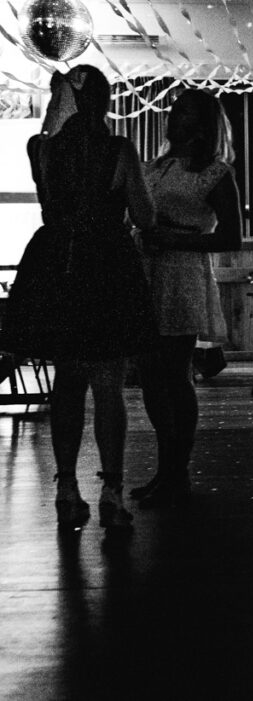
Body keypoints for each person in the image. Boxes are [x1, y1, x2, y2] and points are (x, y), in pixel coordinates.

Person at [0, 65, 158, 529]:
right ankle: (112, 489)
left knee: (67, 380)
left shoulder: (40, 148)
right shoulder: (118, 149)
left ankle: (66, 485)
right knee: (108, 384)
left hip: (55, 263)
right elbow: (146, 217)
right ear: (103, 102)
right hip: (106, 263)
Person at [135, 89, 242, 508]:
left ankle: (178, 472)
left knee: (175, 374)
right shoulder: (155, 166)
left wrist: (174, 238)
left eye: (182, 111)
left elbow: (230, 237)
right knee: (147, 373)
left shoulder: (216, 173)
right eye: (173, 108)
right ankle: (164, 468)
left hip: (181, 273)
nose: (172, 115)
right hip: (145, 270)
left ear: (201, 123)